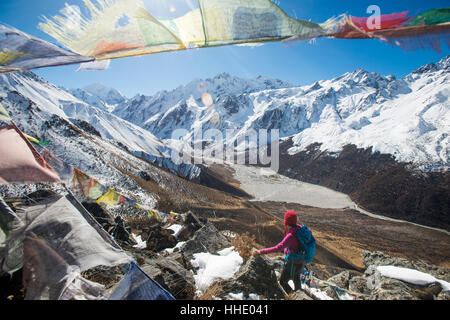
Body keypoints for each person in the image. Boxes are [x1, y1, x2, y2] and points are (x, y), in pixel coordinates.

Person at [252, 210, 304, 294]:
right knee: (296, 281)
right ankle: (300, 295)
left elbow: (277, 248)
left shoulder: (291, 236)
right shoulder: (300, 229)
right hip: (301, 260)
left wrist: (260, 251)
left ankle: (294, 296)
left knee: (283, 282)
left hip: (292, 262)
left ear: (287, 222)